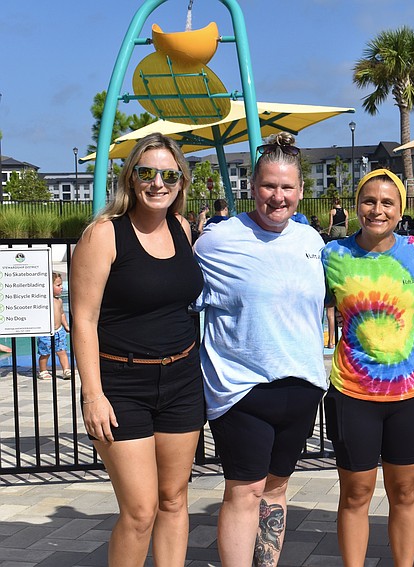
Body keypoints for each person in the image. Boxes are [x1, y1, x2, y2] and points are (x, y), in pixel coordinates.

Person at [193, 132, 327, 566]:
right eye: (269, 185)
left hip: (302, 386)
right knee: (244, 491)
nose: (278, 196)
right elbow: (179, 295)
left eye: (287, 187)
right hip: (243, 389)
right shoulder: (218, 240)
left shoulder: (312, 242)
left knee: (276, 490)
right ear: (252, 186)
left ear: (301, 191)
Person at [71, 132, 204, 567]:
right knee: (140, 511)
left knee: (173, 499)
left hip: (182, 380)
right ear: (131, 178)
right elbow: (84, 320)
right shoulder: (104, 235)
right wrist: (93, 395)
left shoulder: (182, 229)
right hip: (122, 385)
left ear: (182, 182)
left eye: (169, 174)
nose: (158, 183)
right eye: (147, 173)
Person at [322, 168, 414, 567]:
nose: (377, 210)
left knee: (405, 493)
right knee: (355, 495)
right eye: (369, 201)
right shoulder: (333, 255)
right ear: (356, 207)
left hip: (410, 394)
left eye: (387, 202)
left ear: (401, 209)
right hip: (353, 393)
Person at [37, 272, 72, 381]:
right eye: (58, 285)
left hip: (59, 331)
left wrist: (66, 325)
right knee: (45, 353)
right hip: (46, 332)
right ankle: (43, 371)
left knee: (62, 351)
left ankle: (66, 370)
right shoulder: (44, 301)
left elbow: (62, 314)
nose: (61, 287)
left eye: (61, 285)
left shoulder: (59, 301)